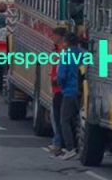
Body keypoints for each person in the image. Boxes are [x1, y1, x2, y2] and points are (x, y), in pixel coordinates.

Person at [56, 32, 84, 160]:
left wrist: (59, 82)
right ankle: (80, 147)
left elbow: (62, 75)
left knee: (64, 121)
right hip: (82, 92)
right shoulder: (83, 54)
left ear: (66, 43)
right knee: (78, 121)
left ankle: (70, 148)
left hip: (69, 92)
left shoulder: (66, 56)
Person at [44, 27, 68, 157]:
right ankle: (58, 143)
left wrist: (57, 80)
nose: (52, 37)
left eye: (54, 35)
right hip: (56, 88)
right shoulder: (57, 50)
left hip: (60, 89)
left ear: (61, 36)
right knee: (56, 117)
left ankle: (58, 144)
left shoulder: (62, 52)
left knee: (58, 118)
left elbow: (61, 69)